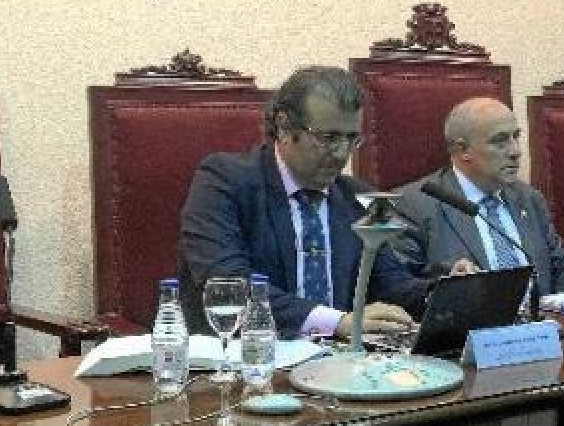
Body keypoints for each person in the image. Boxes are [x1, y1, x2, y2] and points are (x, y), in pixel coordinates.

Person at [177, 65, 427, 338]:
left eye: (351, 138)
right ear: (284, 127)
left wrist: (451, 291)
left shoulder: (356, 197)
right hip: (243, 360)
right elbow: (229, 285)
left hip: (338, 369)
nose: (342, 154)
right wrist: (337, 322)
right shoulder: (224, 181)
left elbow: (391, 285)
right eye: (328, 138)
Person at [392, 97, 564, 295]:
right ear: (463, 150)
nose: (515, 151)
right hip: (468, 335)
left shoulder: (528, 199)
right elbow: (398, 287)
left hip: (541, 331)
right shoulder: (415, 205)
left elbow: (558, 265)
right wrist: (448, 288)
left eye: (516, 137)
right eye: (500, 141)